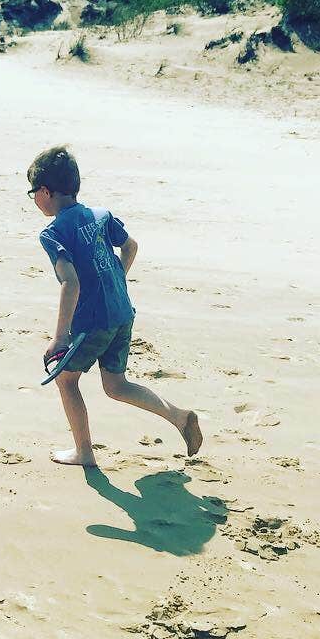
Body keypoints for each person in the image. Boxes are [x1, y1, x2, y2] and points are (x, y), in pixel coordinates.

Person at [28, 145, 202, 466]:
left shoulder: (54, 232)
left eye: (33, 193)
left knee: (66, 380)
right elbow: (130, 247)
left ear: (45, 191)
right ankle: (179, 417)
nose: (34, 200)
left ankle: (84, 452)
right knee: (116, 385)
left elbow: (70, 283)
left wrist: (60, 336)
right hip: (122, 313)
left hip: (92, 323)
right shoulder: (101, 216)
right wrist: (114, 283)